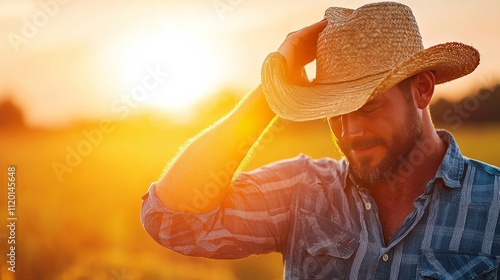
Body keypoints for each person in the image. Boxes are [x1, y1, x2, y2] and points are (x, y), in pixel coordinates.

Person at [141, 2, 500, 279]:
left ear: (422, 89)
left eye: (367, 106)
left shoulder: (494, 203)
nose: (349, 131)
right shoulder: (301, 191)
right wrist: (272, 91)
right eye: (335, 111)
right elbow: (173, 219)